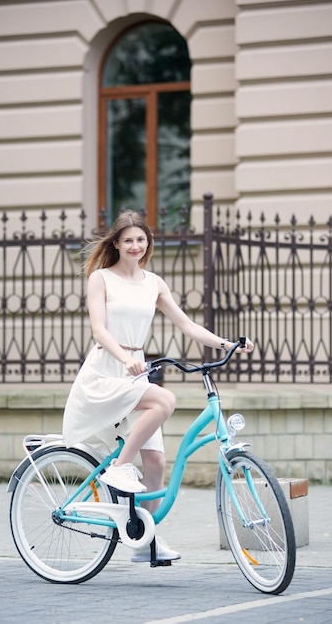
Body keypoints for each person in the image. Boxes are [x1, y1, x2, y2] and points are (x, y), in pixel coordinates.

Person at [63, 210, 254, 563]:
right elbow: (99, 331)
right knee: (164, 399)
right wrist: (124, 358)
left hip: (135, 371)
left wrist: (227, 344)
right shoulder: (101, 279)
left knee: (155, 464)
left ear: (148, 243)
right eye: (128, 240)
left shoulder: (154, 282)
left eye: (141, 240)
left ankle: (143, 540)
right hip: (107, 369)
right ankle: (119, 466)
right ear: (116, 244)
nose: (135, 246)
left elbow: (187, 325)